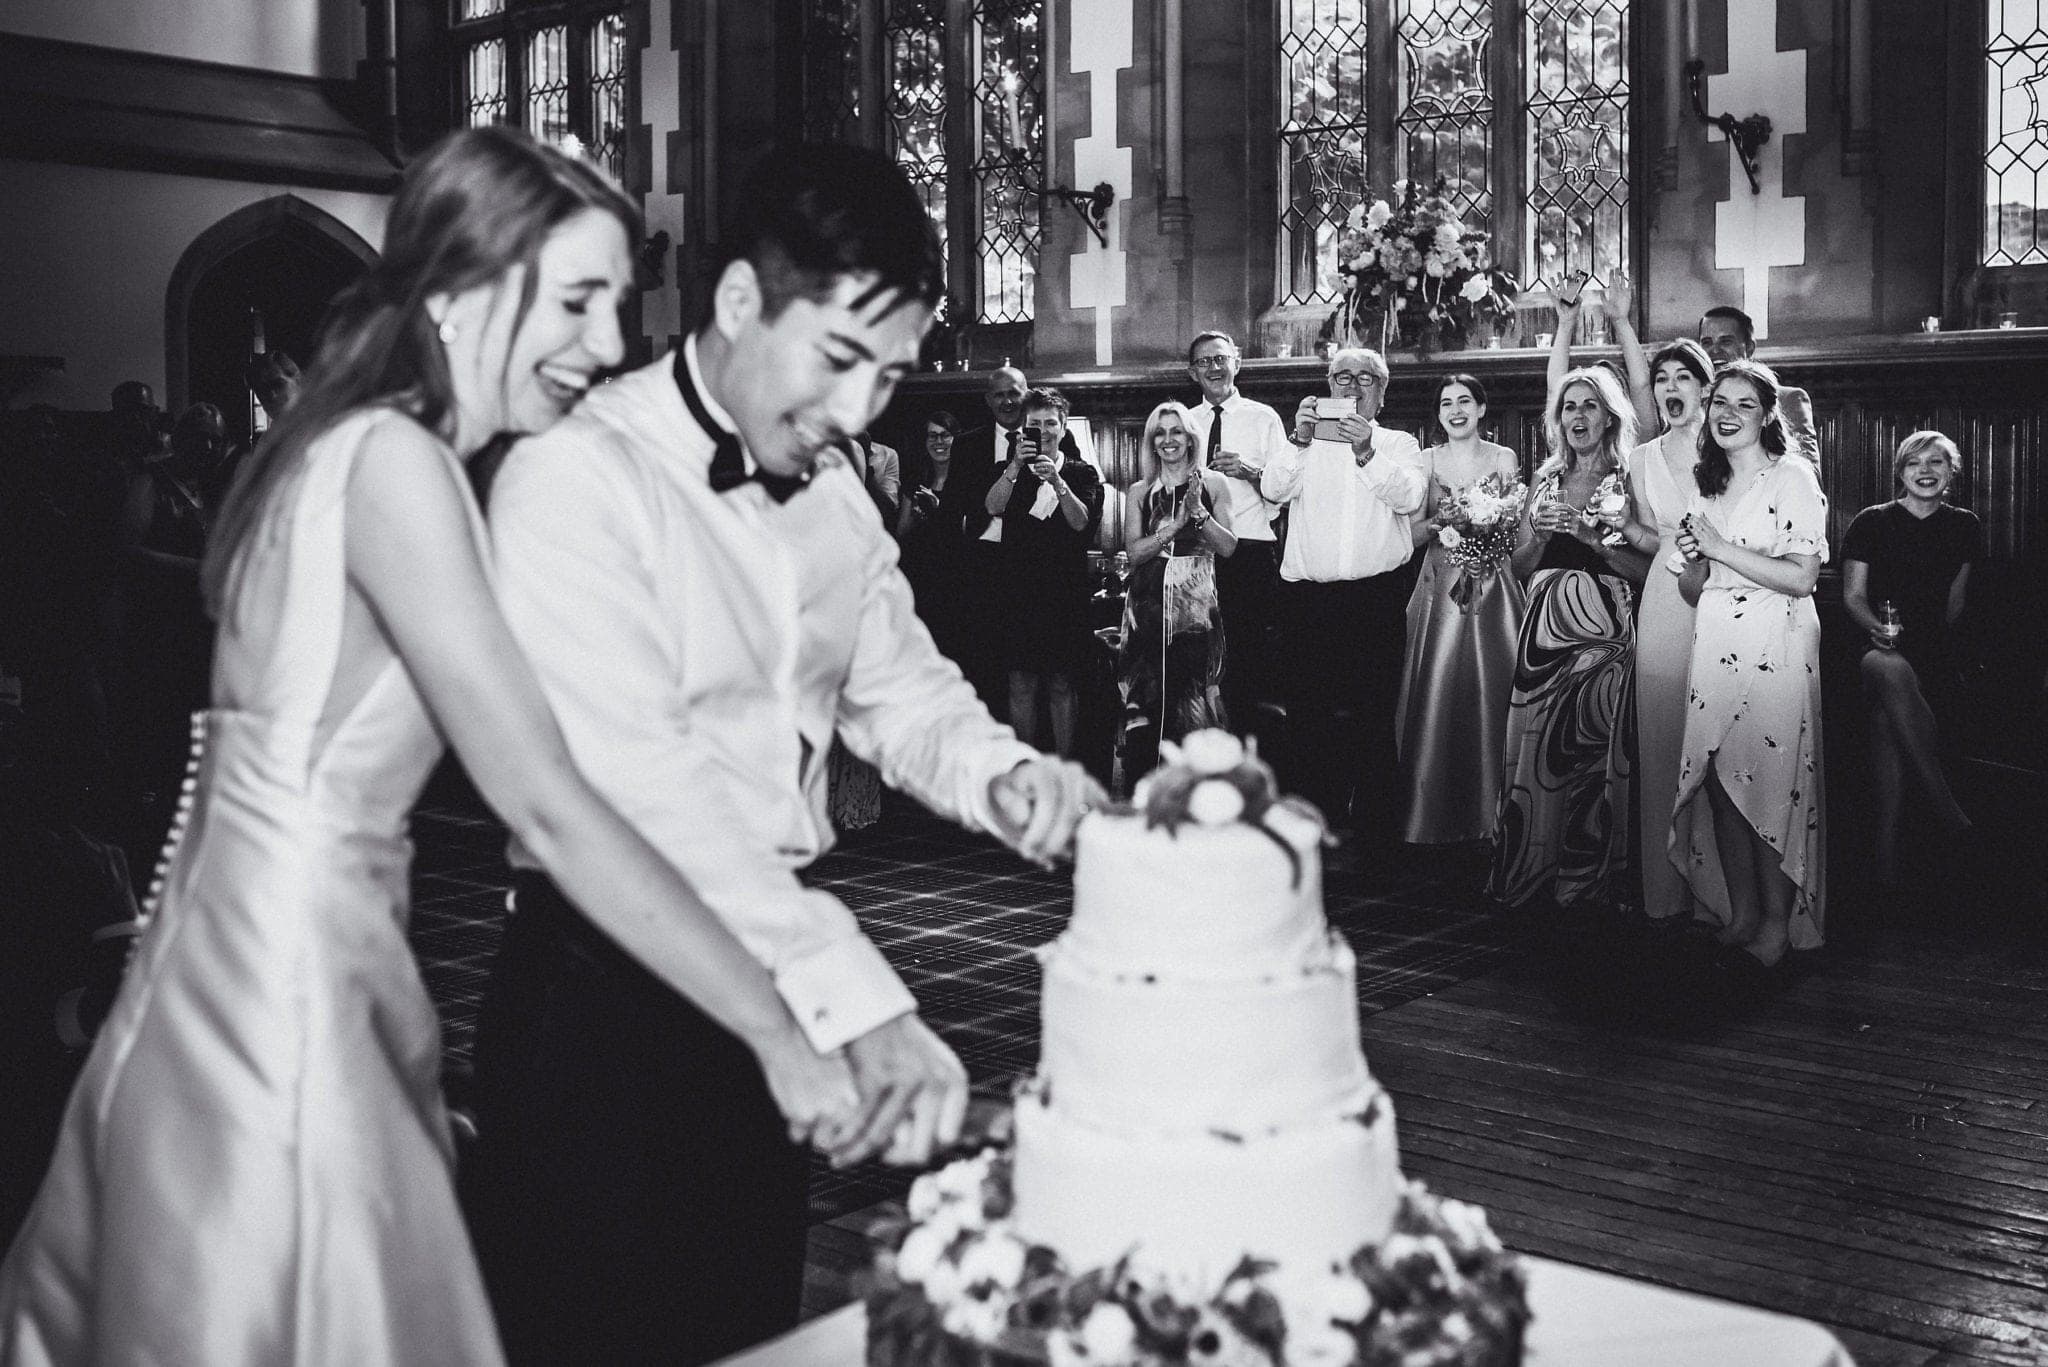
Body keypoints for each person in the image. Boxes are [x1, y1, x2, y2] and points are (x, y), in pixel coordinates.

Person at [0, 125, 865, 1367]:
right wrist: (782, 1028)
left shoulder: (329, 441)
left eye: (618, 304)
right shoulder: (398, 463)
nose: (611, 343)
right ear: (459, 293)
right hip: (288, 985)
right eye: (575, 299)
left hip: (243, 946)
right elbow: (551, 801)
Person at [462, 142, 1103, 1366]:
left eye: (893, 373)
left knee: (739, 1323)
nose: (861, 410)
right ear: (742, 302)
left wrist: (997, 772)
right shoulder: (571, 477)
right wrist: (853, 998)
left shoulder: (836, 494)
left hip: (775, 989)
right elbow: (643, 794)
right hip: (600, 991)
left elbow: (901, 687)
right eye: (841, 358)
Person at [1670, 360, 1829, 975]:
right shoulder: (1705, 482)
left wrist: (1717, 547)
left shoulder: (1790, 477)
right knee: (1719, 780)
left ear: (1767, 416)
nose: (1728, 414)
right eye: (1719, 403)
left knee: (1771, 779)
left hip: (1777, 637)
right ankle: (1740, 914)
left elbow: (1801, 576)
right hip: (1715, 637)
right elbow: (1693, 589)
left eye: (1744, 404)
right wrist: (1692, 559)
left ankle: (1777, 926)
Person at [1487, 365, 1646, 911]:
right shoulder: (1545, 479)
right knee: (1538, 748)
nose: (1578, 417)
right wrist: (1547, 534)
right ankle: (1534, 870)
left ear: (1610, 417)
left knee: (1593, 750)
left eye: (1589, 407)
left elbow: (1647, 570)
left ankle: (1591, 880)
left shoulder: (1630, 477)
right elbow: (1521, 563)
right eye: (1569, 407)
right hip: (1545, 622)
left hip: (1604, 622)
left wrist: (1588, 538)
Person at [1262, 346, 1426, 847]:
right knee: (1308, 718)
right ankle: (1314, 829)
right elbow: (1272, 489)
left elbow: (1410, 497)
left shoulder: (1398, 442)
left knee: (1372, 718)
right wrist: (1299, 439)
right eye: (1342, 377)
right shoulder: (1304, 442)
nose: (1352, 387)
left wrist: (1365, 452)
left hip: (1373, 601)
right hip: (1308, 602)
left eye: (1365, 379)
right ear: (1328, 385)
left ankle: (1376, 838)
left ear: (1382, 390)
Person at [1609, 338, 1724, 927]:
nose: (1670, 388)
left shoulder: (1730, 449)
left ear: (1707, 388)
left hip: (1726, 594)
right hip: (1662, 598)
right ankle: (1669, 887)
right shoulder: (1642, 458)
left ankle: (1724, 894)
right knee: (1663, 734)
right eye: (1661, 380)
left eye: (1684, 377)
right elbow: (1656, 540)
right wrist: (1625, 527)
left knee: (1721, 737)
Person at [1840, 431, 1981, 888]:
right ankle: (1950, 812)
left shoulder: (1965, 525)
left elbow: (1956, 606)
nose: (1926, 471)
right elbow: (1853, 596)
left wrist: (1945, 656)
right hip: (1873, 644)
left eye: (1936, 463)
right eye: (1915, 463)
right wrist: (1875, 630)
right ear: (1899, 472)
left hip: (1934, 653)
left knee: (1886, 718)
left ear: (1950, 472)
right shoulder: (1872, 521)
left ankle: (1885, 861)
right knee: (1890, 667)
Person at [1395, 374, 1525, 845]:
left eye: (1465, 401)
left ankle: (1497, 814)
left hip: (1492, 585)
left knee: (1494, 686)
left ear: (1482, 408)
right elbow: (1408, 535)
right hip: (1440, 585)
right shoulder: (1426, 462)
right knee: (1439, 688)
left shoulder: (1503, 457)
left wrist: (1490, 528)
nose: (1456, 410)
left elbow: (1515, 527)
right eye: (1447, 403)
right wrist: (1443, 523)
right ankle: (1431, 812)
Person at [1118, 399, 1238, 777]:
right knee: (1146, 700)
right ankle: (1144, 798)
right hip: (1147, 606)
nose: (1169, 440)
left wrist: (1198, 515)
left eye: (1176, 432)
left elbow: (1229, 547)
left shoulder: (1214, 484)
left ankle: (1196, 799)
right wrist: (1172, 527)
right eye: (1161, 433)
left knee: (1193, 702)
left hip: (1194, 605)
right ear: (1153, 442)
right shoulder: (1140, 491)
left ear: (1190, 439)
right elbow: (1134, 553)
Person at [985, 386, 1105, 758]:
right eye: (1034, 423)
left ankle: (1064, 768)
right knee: (1020, 683)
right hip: (1017, 591)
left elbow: (1081, 524)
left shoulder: (1082, 472)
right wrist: (1016, 467)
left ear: (1064, 425)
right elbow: (992, 506)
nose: (1044, 429)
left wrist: (1057, 480)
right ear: (1023, 427)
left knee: (1061, 683)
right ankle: (1026, 767)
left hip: (1063, 593)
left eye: (1050, 422)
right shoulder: (1010, 469)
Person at [1181, 330, 1288, 739]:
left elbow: (1283, 491)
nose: (1214, 367)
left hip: (1249, 552)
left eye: (1221, 359)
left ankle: (1245, 759)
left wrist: (1250, 471)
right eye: (1204, 362)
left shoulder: (1264, 418)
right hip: (1195, 551)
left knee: (1244, 662)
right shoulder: (1184, 422)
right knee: (1196, 659)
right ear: (1193, 373)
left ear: (1236, 363)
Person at [895, 409, 981, 671]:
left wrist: (939, 511)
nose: (938, 442)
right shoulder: (916, 477)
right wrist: (920, 516)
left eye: (945, 435)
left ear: (956, 439)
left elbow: (974, 532)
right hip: (923, 578)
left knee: (957, 656)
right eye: (932, 436)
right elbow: (901, 531)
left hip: (959, 581)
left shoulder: (968, 479)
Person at [1697, 306, 1819, 465]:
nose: (1714, 350)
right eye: (1706, 342)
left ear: (1749, 348)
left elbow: (1809, 471)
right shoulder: (1692, 402)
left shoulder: (1787, 398)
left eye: (1726, 341)